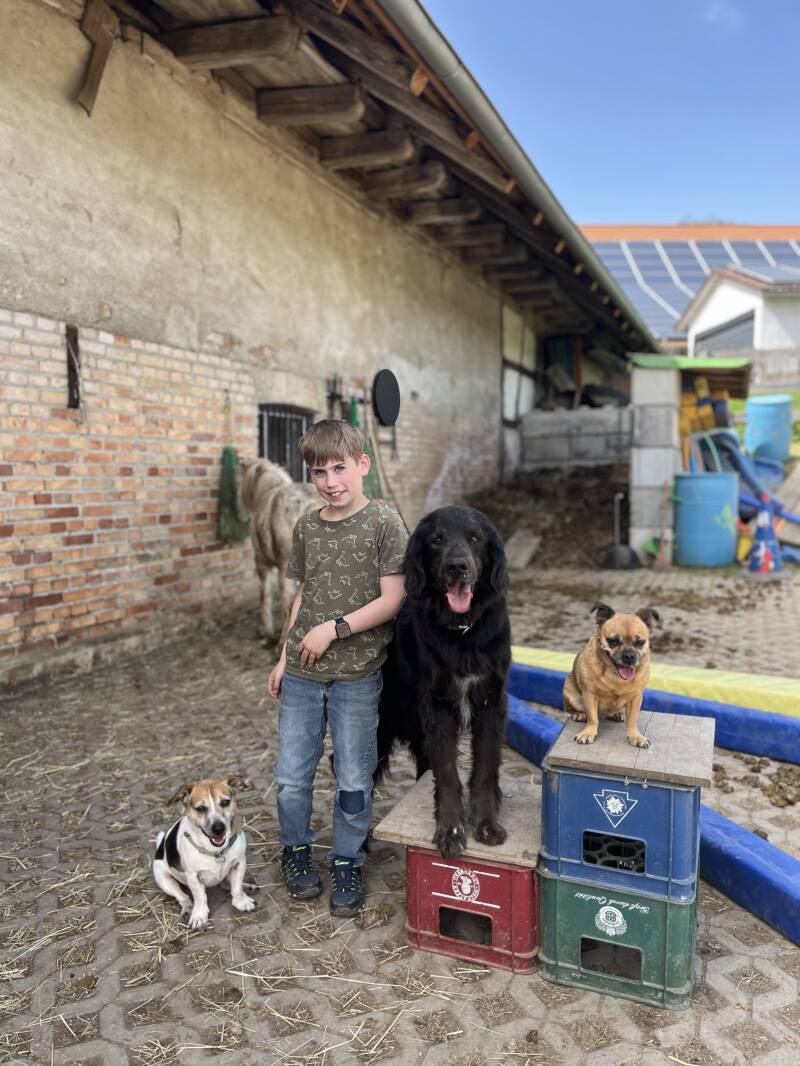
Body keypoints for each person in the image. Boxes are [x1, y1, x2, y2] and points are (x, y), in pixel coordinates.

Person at [268, 420, 408, 916]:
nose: (331, 481)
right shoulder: (307, 525)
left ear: (363, 464)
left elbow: (393, 599)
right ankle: (297, 851)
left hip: (357, 676)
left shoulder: (385, 523)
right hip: (304, 675)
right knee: (290, 777)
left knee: (353, 776)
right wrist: (285, 655)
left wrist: (335, 628)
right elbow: (302, 593)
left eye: (340, 468)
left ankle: (348, 860)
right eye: (318, 472)